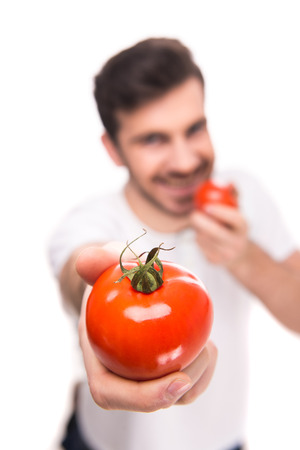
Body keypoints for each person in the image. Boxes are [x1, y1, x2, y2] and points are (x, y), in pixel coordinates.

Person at [48, 38, 300, 450]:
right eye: (153, 139)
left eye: (194, 128)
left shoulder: (243, 196)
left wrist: (247, 258)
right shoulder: (91, 221)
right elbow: (78, 272)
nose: (185, 161)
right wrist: (102, 284)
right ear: (113, 150)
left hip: (223, 441)